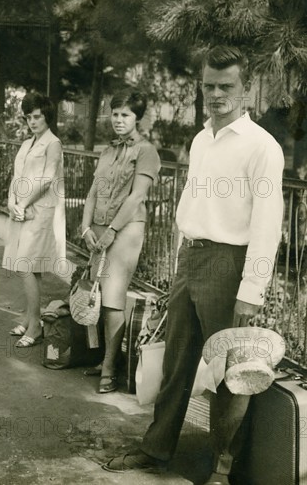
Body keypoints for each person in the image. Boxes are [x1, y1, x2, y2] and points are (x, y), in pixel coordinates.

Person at [102, 46, 284, 485]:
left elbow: (267, 224)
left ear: (246, 89)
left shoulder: (263, 147)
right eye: (209, 86)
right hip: (192, 259)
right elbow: (192, 202)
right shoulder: (202, 139)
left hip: (230, 263)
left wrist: (251, 291)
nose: (216, 94)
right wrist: (180, 263)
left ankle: (223, 468)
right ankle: (157, 448)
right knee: (175, 364)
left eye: (227, 86)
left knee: (230, 375)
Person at [80, 91, 161, 393]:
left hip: (125, 230)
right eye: (115, 113)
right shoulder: (106, 151)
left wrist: (111, 230)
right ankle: (104, 358)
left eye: (125, 114)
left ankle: (111, 369)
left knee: (114, 298)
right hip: (99, 228)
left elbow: (137, 196)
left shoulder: (146, 151)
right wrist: (86, 227)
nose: (118, 119)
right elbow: (92, 191)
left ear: (137, 118)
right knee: (97, 297)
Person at [3, 92, 65, 348]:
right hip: (21, 210)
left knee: (25, 265)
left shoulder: (53, 143)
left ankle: (36, 324)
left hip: (40, 211)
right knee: (31, 267)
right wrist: (11, 203)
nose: (32, 121)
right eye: (28, 117)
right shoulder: (28, 143)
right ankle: (29, 317)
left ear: (47, 116)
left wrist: (24, 204)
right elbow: (17, 177)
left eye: (37, 116)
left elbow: (47, 178)